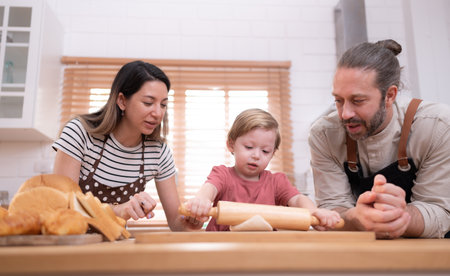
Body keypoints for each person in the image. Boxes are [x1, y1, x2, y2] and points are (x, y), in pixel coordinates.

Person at [309, 39, 450, 239]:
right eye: (338, 101)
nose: (345, 114)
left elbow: (440, 211)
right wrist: (357, 218)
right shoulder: (323, 135)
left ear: (390, 95)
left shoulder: (437, 126)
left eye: (358, 101)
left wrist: (401, 216)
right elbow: (332, 211)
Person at [52, 60, 201, 231]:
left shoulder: (158, 152)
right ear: (122, 101)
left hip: (113, 243)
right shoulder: (80, 133)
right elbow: (63, 206)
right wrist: (117, 210)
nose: (158, 113)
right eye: (148, 102)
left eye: (163, 104)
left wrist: (191, 220)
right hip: (70, 241)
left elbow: (176, 222)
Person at [185, 108, 342, 231]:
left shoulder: (276, 182)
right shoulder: (223, 175)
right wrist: (202, 201)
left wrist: (314, 212)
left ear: (273, 153)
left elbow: (298, 199)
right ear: (231, 145)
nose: (256, 156)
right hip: (222, 248)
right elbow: (209, 189)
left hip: (262, 249)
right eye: (249, 147)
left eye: (265, 151)